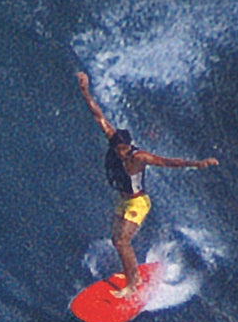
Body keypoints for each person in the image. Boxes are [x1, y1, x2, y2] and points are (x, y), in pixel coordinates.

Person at [76, 71, 219, 296]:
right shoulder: (113, 140)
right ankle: (132, 271)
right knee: (117, 240)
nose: (120, 153)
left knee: (122, 242)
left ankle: (132, 284)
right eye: (117, 149)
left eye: (123, 149)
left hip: (137, 203)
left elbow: (167, 162)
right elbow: (98, 115)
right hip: (124, 201)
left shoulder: (138, 157)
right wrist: (85, 90)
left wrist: (197, 163)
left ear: (129, 146)